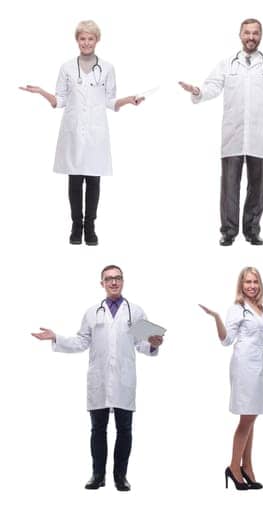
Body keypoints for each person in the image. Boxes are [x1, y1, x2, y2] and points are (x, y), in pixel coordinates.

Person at [30, 265, 164, 492]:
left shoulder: (136, 312)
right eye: (109, 279)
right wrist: (57, 337)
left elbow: (143, 345)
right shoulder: (92, 312)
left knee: (125, 430)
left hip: (123, 380)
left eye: (118, 278)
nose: (114, 282)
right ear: (101, 283)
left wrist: (153, 343)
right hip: (99, 380)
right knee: (97, 430)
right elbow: (82, 342)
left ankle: (120, 477)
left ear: (123, 281)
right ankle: (97, 475)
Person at [179, 18, 263, 247]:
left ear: (261, 36)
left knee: (257, 187)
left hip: (260, 136)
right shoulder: (227, 64)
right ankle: (229, 232)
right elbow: (211, 87)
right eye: (247, 33)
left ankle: (252, 231)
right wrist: (197, 90)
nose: (251, 37)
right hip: (233, 135)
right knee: (229, 187)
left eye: (255, 33)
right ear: (240, 35)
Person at [18, 20, 145, 246]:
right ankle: (76, 226)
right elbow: (60, 100)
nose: (86, 42)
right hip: (74, 131)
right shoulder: (67, 67)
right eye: (82, 38)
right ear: (77, 40)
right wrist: (41, 92)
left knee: (94, 180)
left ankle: (91, 227)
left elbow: (110, 100)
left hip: (96, 131)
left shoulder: (107, 68)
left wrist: (128, 100)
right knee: (75, 180)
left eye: (90, 38)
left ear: (97, 40)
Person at [199, 267, 263, 491]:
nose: (252, 286)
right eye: (247, 282)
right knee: (246, 419)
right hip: (244, 367)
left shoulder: (261, 310)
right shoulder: (237, 309)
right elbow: (226, 340)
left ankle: (247, 466)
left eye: (255, 281)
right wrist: (217, 318)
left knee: (251, 417)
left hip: (259, 369)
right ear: (241, 285)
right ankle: (234, 467)